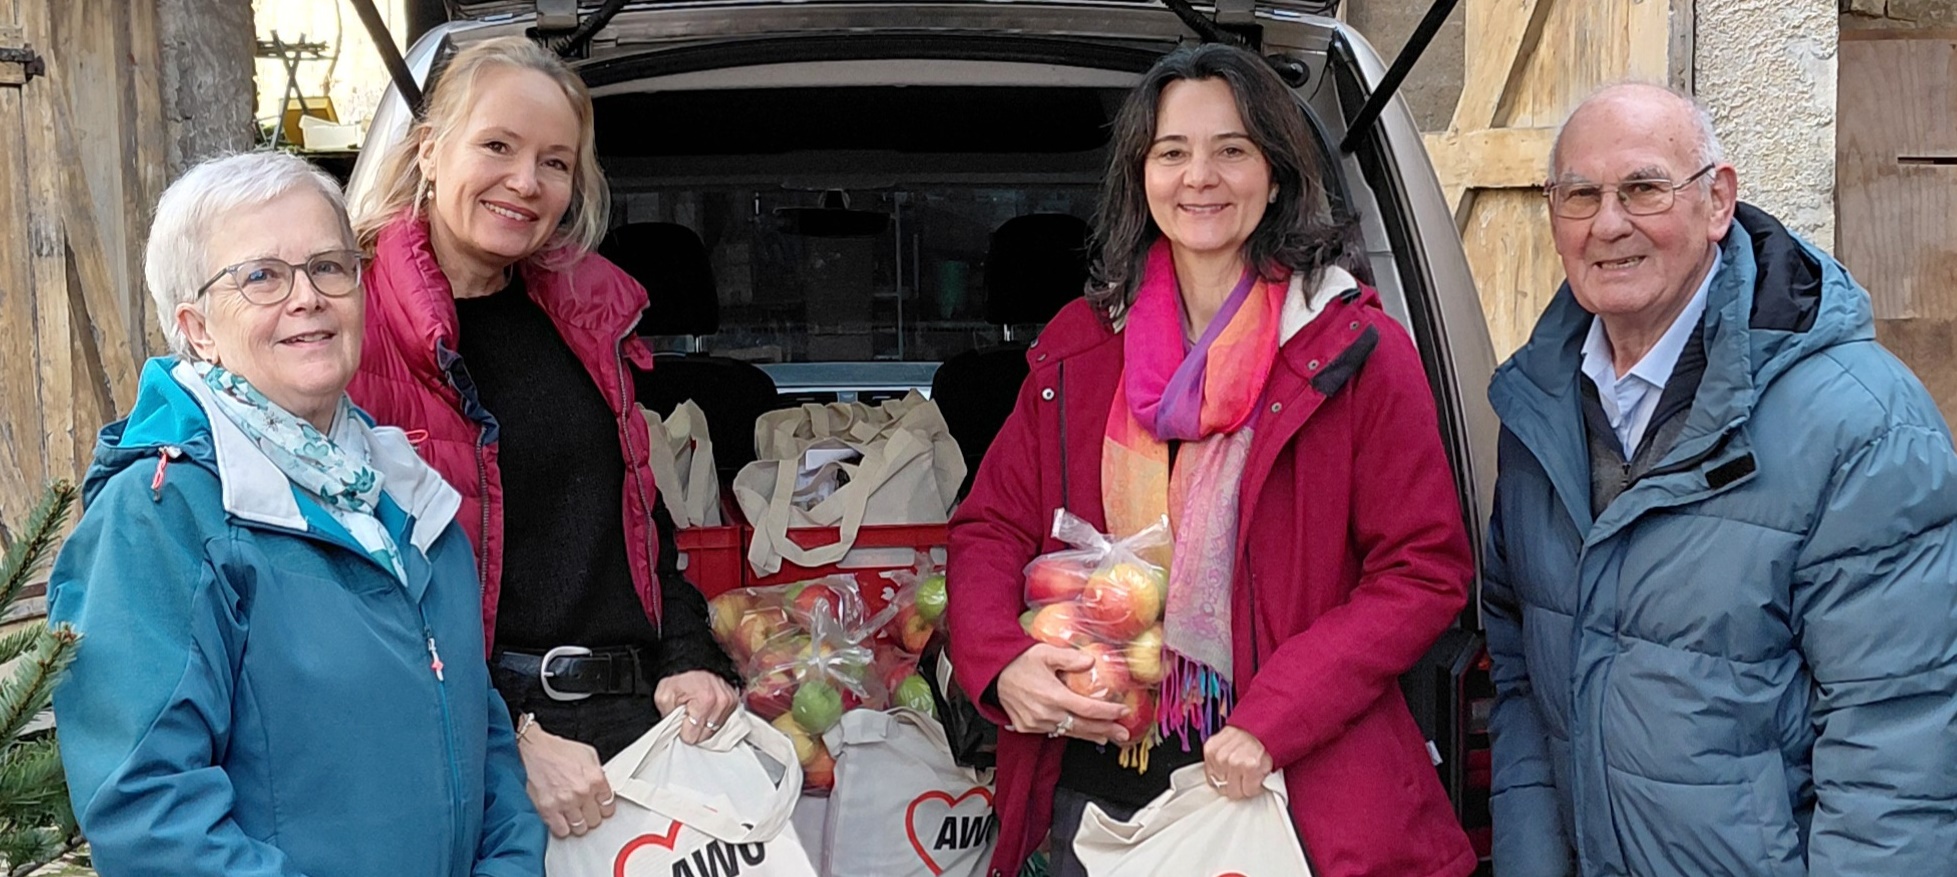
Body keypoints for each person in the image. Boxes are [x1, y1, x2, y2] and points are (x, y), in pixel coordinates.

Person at [946, 43, 1477, 877]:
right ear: (1140, 176)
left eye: (1231, 149)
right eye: (1171, 152)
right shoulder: (1080, 347)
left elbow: (1422, 569)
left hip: (1282, 777)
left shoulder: (1353, 348)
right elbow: (990, 527)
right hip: (1092, 775)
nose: (1200, 177)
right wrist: (1000, 659)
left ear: (1276, 172)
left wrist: (1276, 715)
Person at [1483, 82, 1957, 877]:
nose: (1607, 224)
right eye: (1579, 194)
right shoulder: (1536, 412)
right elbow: (1524, 684)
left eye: (1642, 188)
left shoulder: (1860, 422)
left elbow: (1901, 737)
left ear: (1716, 202)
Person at [47, 151, 543, 876]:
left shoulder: (405, 489)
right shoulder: (162, 513)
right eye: (262, 276)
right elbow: (149, 809)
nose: (307, 296)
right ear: (197, 327)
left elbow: (482, 733)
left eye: (329, 267)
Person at [347, 36, 740, 840]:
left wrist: (688, 656)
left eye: (555, 162)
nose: (526, 183)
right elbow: (354, 605)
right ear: (429, 149)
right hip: (480, 763)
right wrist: (512, 736)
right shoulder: (350, 332)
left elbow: (634, 526)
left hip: (636, 738)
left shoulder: (586, 319)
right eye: (498, 146)